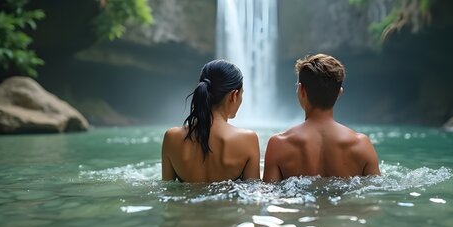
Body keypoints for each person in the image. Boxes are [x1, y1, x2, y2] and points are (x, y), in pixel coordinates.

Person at [263, 54, 380, 182]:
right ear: (339, 93)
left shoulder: (279, 144)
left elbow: (270, 193)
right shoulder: (361, 144)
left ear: (301, 90)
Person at [162, 59, 260, 182]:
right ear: (234, 95)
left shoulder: (171, 137)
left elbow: (167, 189)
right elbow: (253, 191)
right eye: (242, 94)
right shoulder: (247, 140)